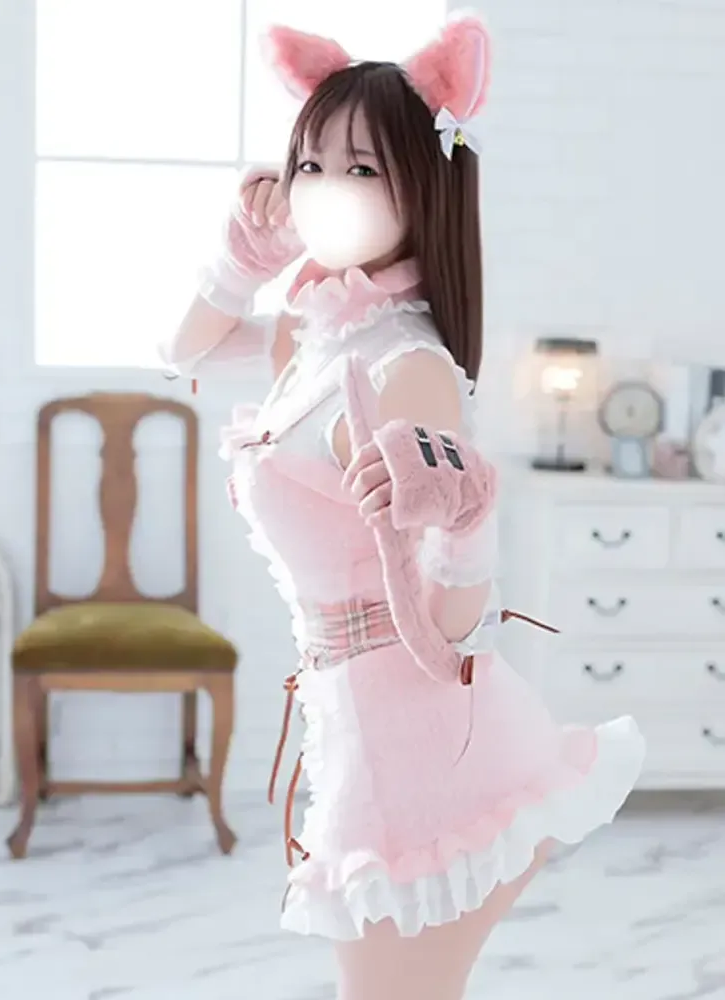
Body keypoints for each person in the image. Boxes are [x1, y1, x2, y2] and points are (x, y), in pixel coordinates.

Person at [161, 13, 645, 1000]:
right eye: (310, 164)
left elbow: (453, 636)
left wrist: (467, 524)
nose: (323, 190)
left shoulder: (401, 364)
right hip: (369, 727)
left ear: (422, 185)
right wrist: (244, 259)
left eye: (361, 168)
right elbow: (186, 353)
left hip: (421, 752)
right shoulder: (326, 329)